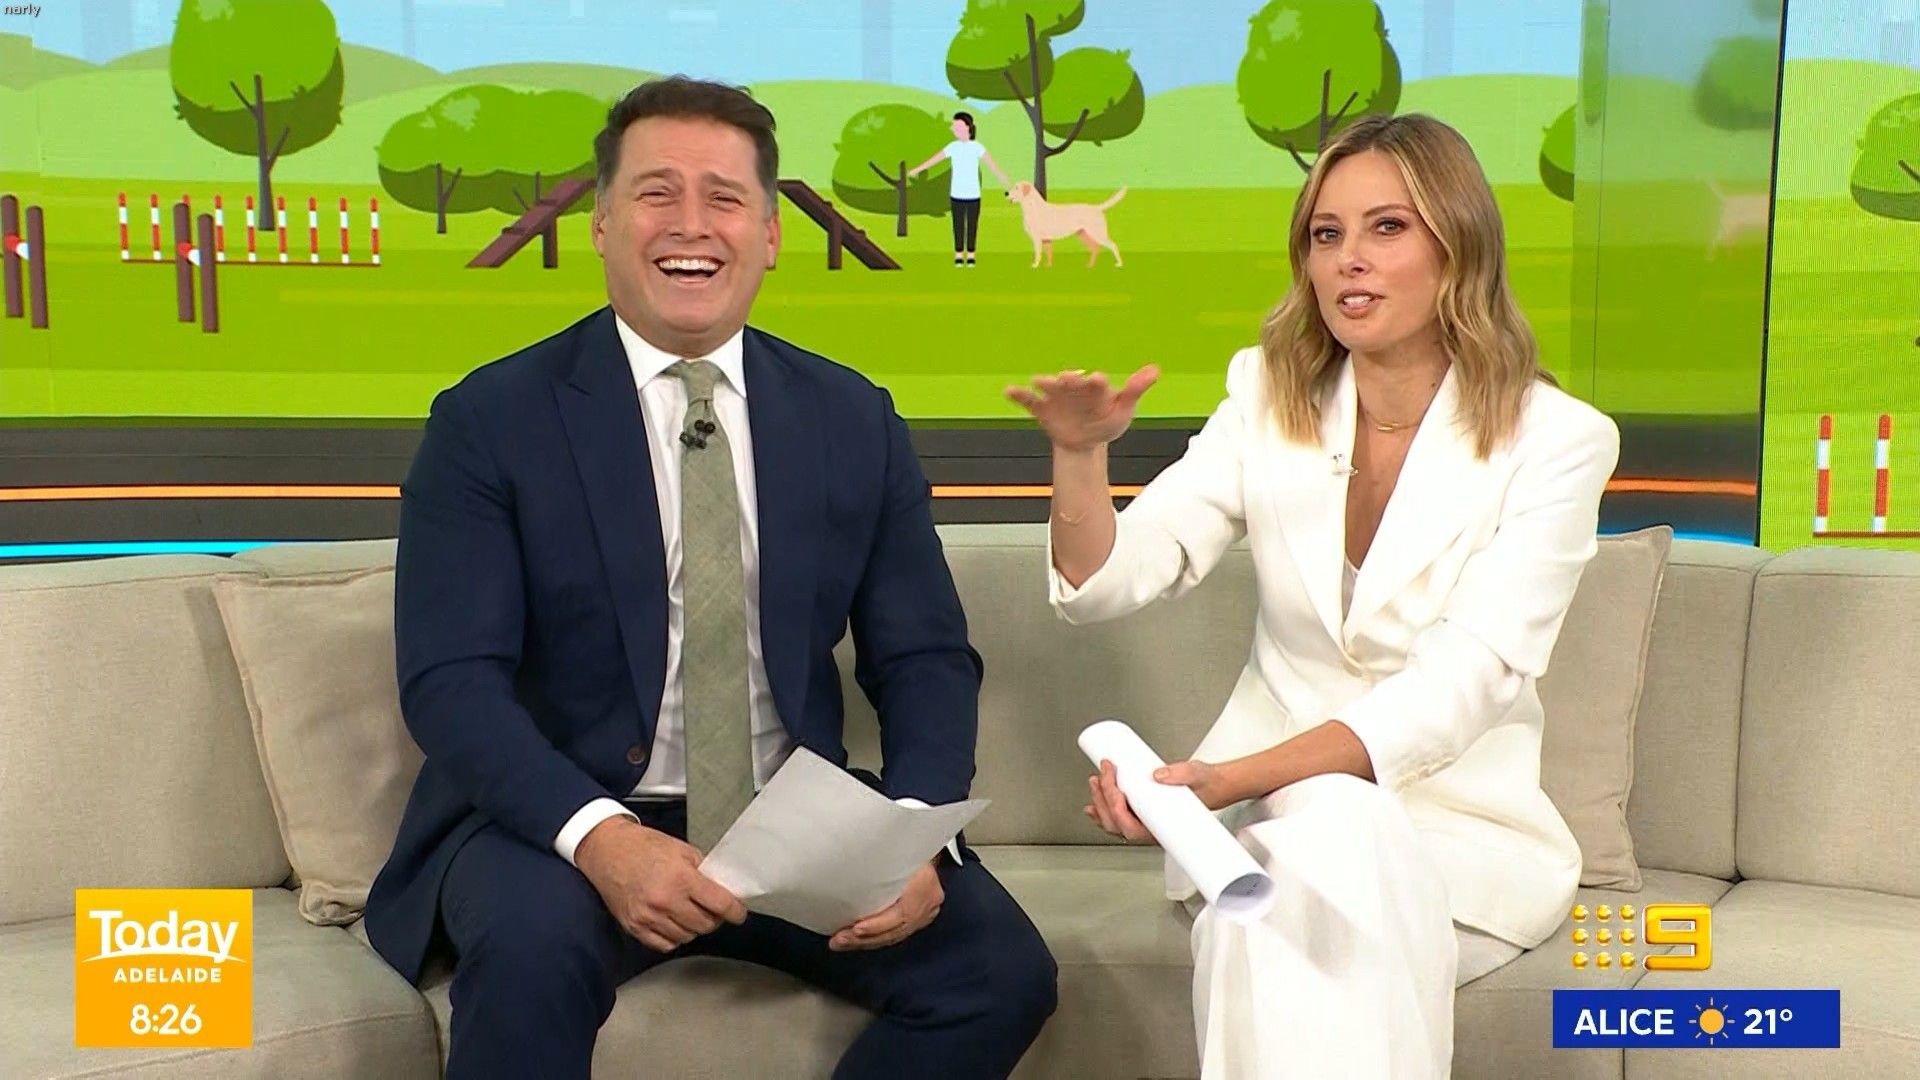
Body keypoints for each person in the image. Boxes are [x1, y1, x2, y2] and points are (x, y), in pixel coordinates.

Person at [363, 76, 1057, 1080]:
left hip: (788, 816)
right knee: (528, 954)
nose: (691, 224)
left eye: (724, 198)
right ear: (602, 226)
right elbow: (451, 682)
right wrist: (602, 838)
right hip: (562, 818)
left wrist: (911, 831)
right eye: (656, 193)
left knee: (1001, 974)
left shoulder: (853, 418)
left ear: (769, 236)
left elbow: (925, 658)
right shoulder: (488, 421)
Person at [1006, 113, 1620, 1078]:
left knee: (1294, 876)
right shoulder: (1267, 394)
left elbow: (1461, 686)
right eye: (1326, 234)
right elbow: (1116, 577)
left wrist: (1225, 782)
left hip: (1451, 837)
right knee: (1306, 868)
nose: (1348, 260)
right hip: (1264, 831)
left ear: (1458, 246)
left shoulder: (1558, 440)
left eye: (1388, 228)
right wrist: (1079, 458)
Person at [908, 111, 1010, 267]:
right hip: (956, 195)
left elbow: (993, 166)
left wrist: (1006, 183)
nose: (952, 128)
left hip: (973, 195)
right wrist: (917, 169)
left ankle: (971, 254)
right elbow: (934, 160)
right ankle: (958, 254)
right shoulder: (953, 147)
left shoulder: (977, 147)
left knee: (972, 226)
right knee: (958, 225)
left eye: (956, 125)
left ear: (967, 127)